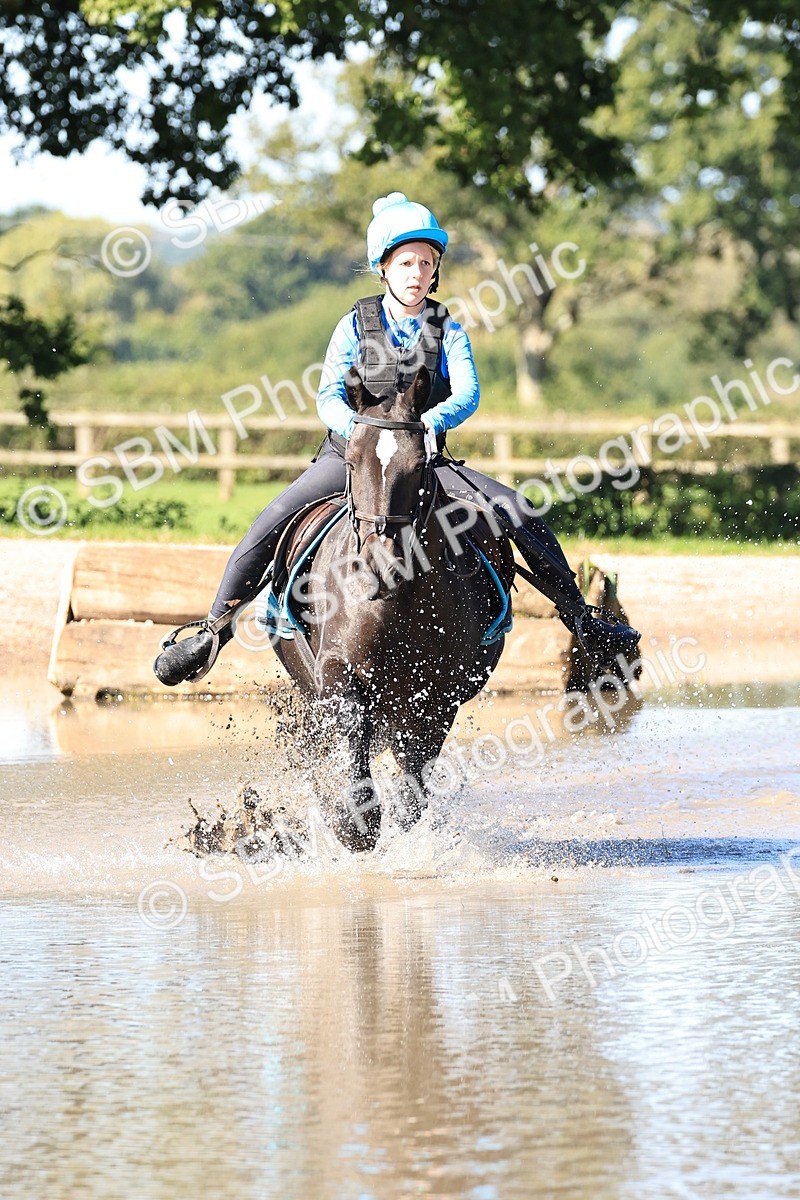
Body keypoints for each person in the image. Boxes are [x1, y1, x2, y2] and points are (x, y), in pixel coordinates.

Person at [154, 192, 640, 686]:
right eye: (406, 263)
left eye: (426, 263)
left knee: (516, 508)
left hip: (423, 459)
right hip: (351, 457)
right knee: (273, 518)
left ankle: (583, 622)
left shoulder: (448, 328)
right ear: (382, 267)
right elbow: (327, 395)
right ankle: (211, 633)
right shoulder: (353, 325)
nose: (417, 273)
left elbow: (468, 393)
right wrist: (361, 434)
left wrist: (430, 426)